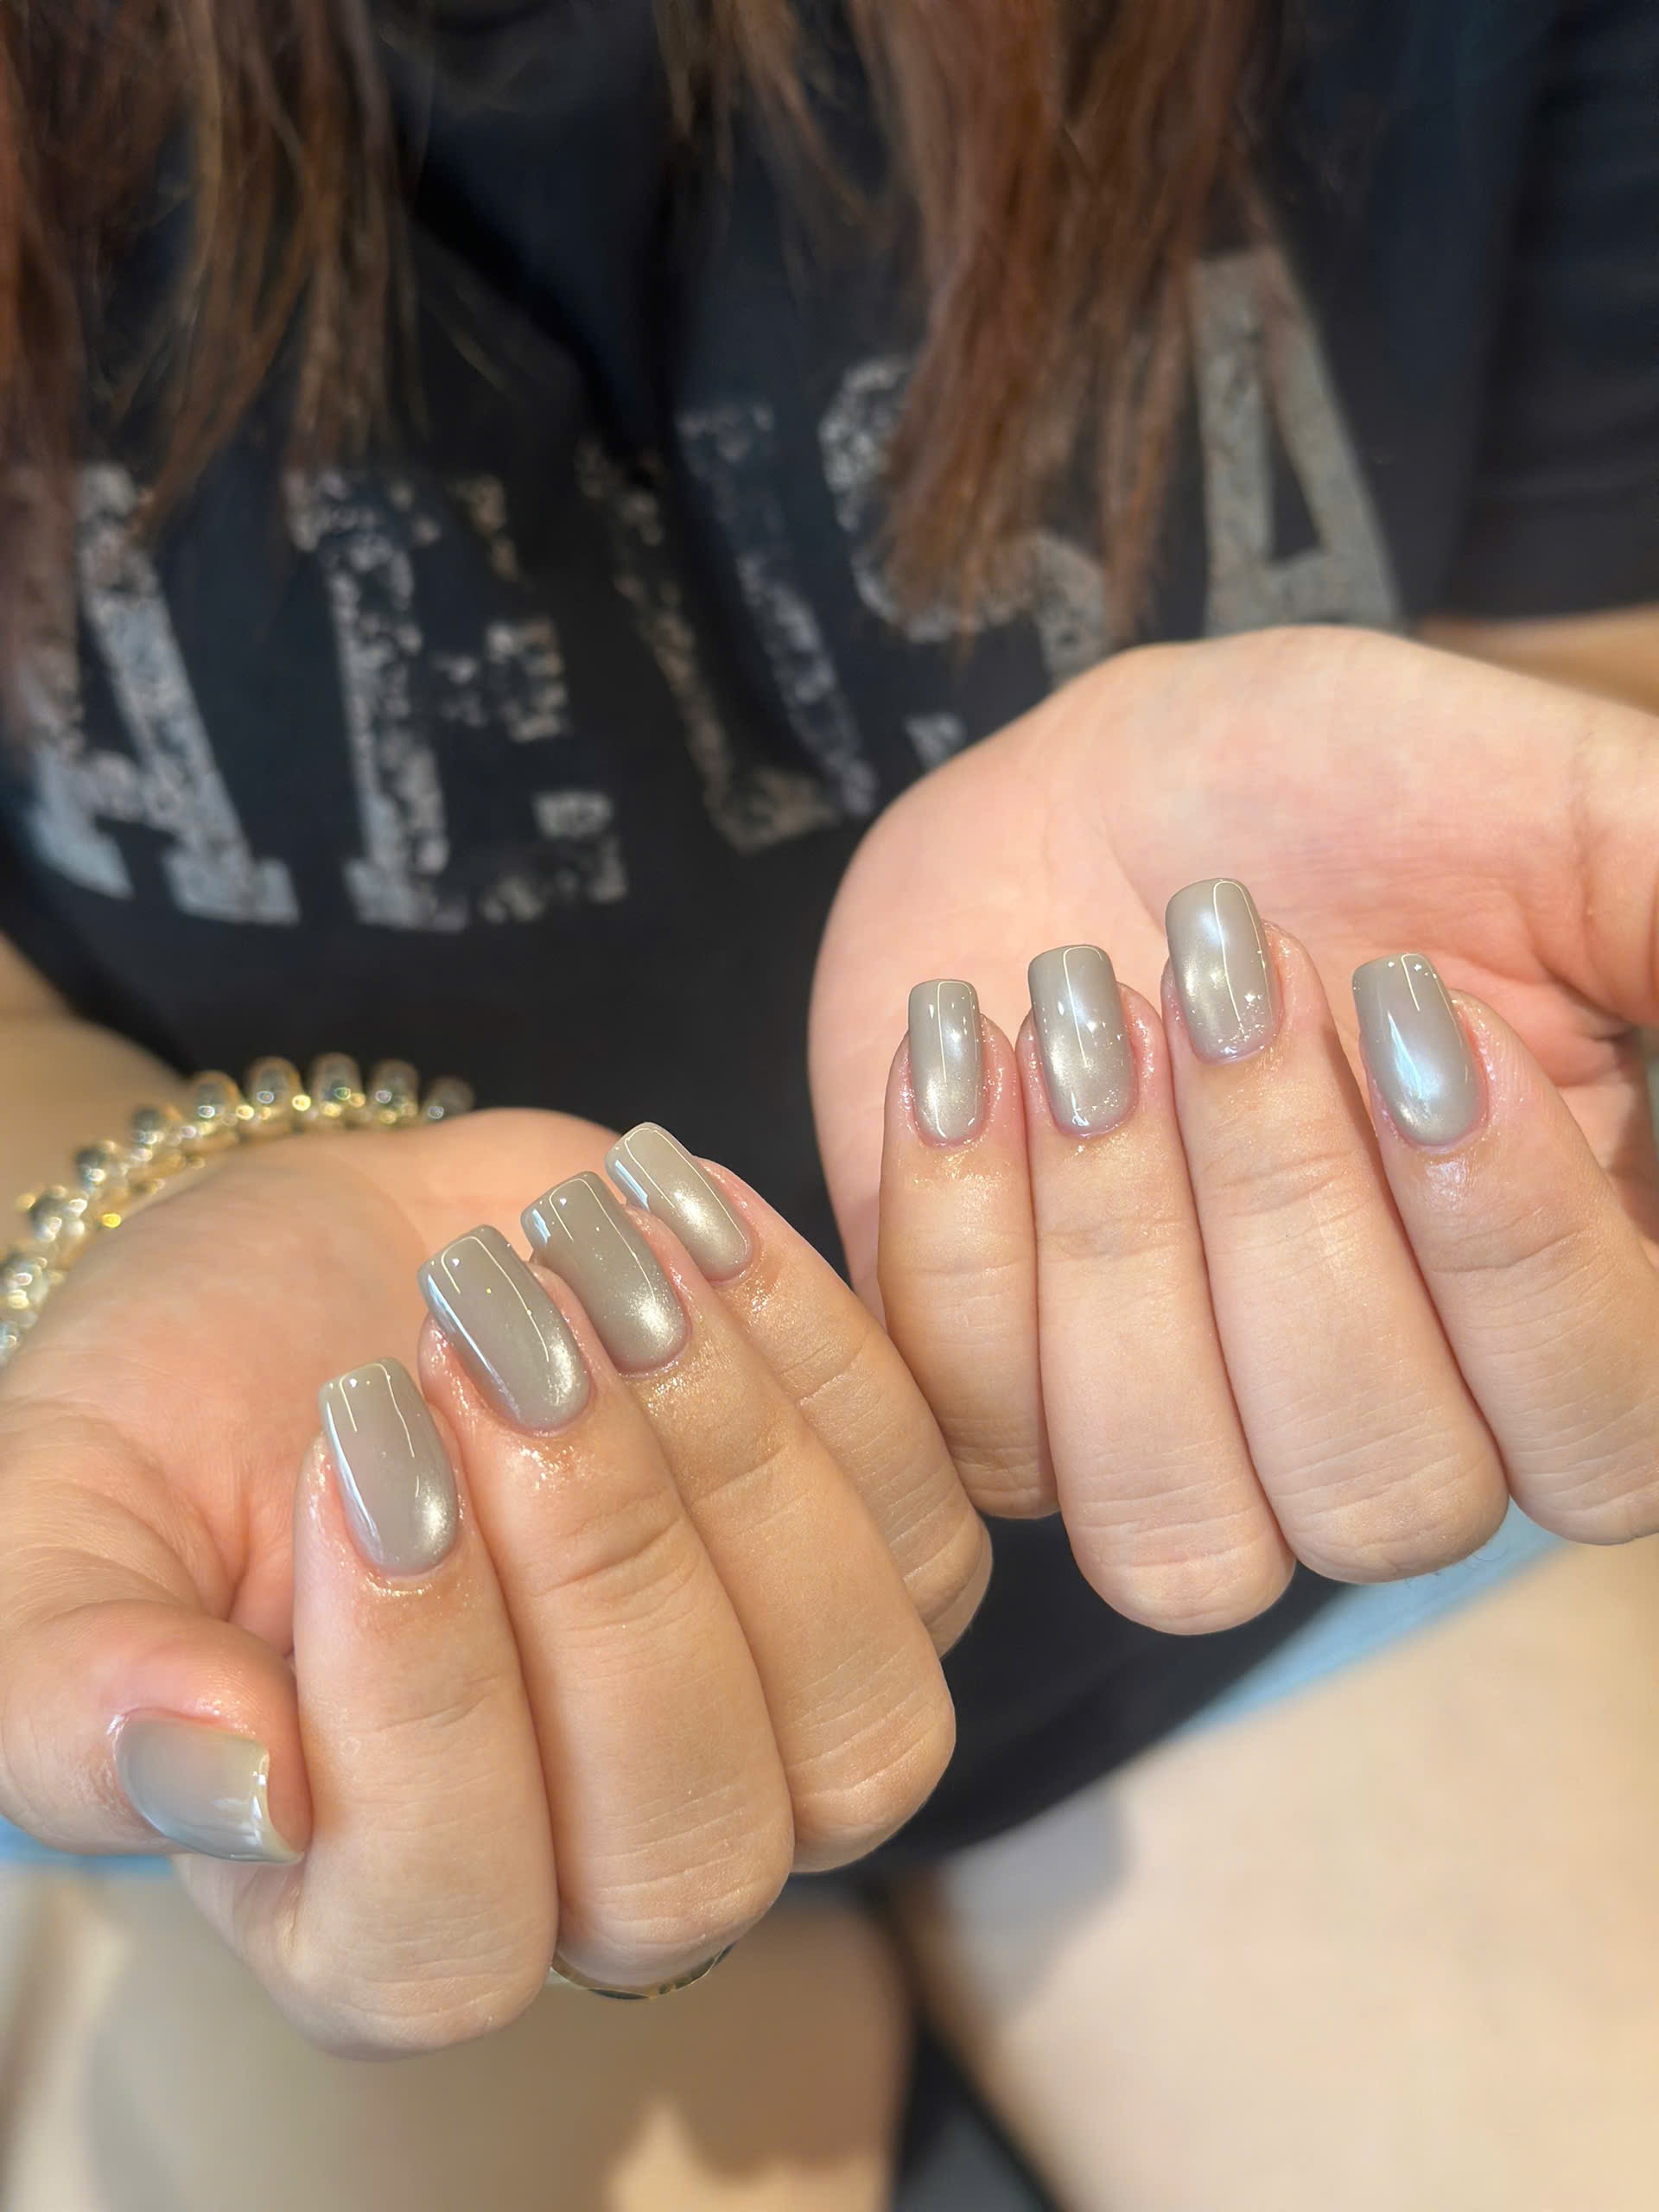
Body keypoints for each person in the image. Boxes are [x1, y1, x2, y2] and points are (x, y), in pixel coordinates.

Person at [0, 2, 1655, 2207]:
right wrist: (120, 1212)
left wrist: (1466, 1042)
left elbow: (1576, 653)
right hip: (334, 1605)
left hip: (1269, 1531)